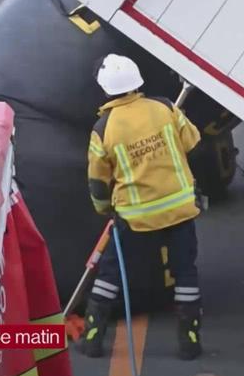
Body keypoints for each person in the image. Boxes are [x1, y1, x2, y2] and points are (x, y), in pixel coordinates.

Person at [78, 53, 204, 360]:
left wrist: (104, 208)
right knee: (185, 274)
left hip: (135, 219)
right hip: (180, 211)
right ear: (137, 82)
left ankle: (93, 338)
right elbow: (193, 142)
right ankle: (190, 342)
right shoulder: (164, 108)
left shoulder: (103, 128)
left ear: (105, 90)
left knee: (110, 275)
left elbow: (97, 181)